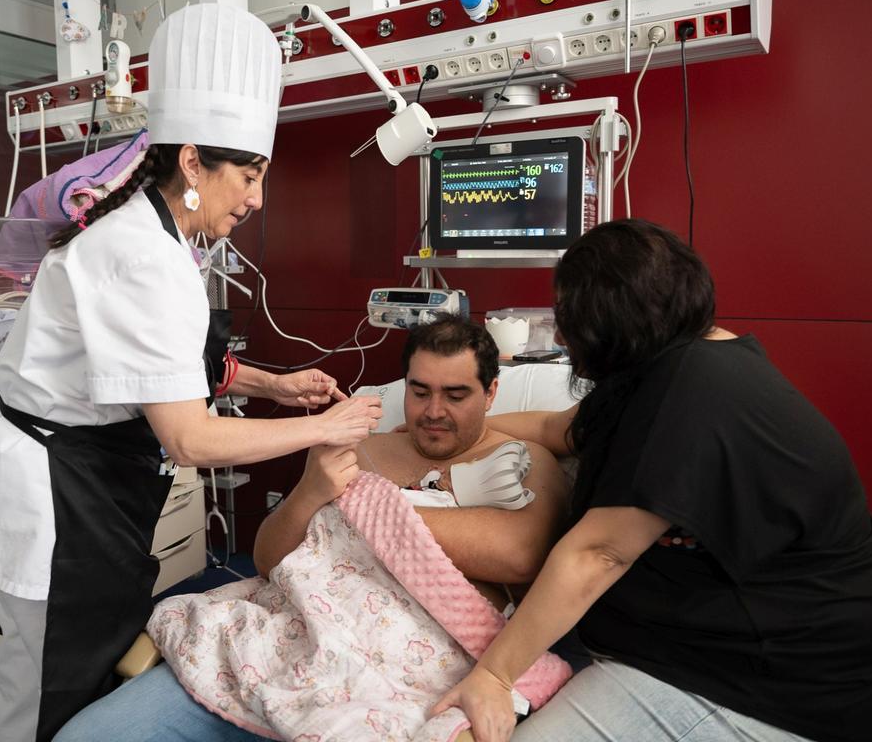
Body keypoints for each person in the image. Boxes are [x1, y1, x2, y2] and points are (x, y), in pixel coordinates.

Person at [0, 3, 382, 742]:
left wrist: (276, 387)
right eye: (248, 175)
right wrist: (324, 426)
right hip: (57, 489)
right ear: (193, 162)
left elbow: (165, 368)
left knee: (80, 662)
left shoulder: (162, 236)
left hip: (86, 477)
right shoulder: (142, 255)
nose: (257, 198)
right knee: (52, 686)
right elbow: (186, 437)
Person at [431, 219, 872, 742]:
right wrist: (452, 427)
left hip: (772, 685)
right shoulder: (675, 361)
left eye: (567, 314)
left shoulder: (691, 392)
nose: (562, 333)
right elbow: (557, 428)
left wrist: (495, 677)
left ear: (607, 323)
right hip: (697, 637)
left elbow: (598, 554)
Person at [55, 316, 571, 741]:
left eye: (456, 395)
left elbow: (518, 555)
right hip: (280, 643)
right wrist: (311, 494)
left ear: (492, 392)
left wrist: (383, 504)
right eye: (419, 392)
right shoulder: (357, 445)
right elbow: (266, 560)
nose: (433, 412)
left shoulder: (521, 461)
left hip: (402, 669)